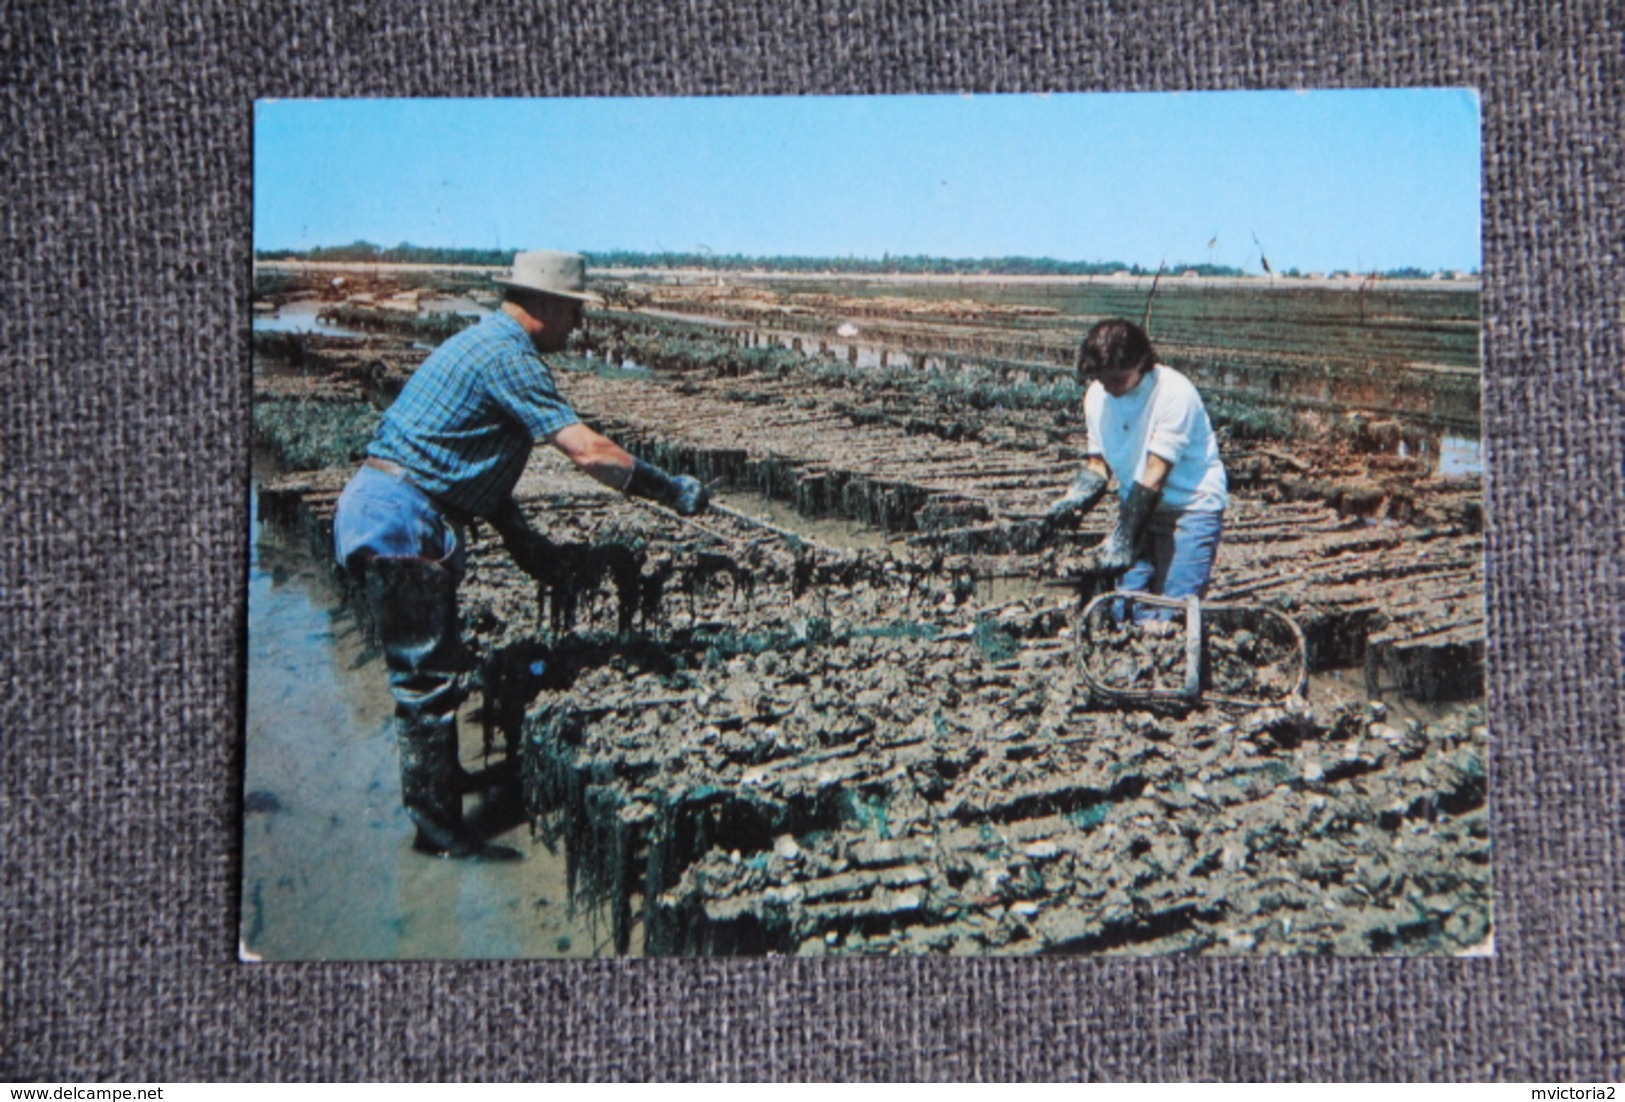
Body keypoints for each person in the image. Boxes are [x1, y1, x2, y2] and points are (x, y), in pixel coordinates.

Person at [333, 250, 709, 861]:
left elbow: (469, 471)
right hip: (400, 522)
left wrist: (531, 548)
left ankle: (442, 797)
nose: (577, 327)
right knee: (424, 683)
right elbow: (588, 452)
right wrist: (669, 489)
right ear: (549, 305)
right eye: (574, 312)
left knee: (429, 672)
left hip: (388, 509)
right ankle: (440, 839)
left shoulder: (481, 345)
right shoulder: (510, 357)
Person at [1046, 318, 1227, 604]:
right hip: (1138, 504)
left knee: (1175, 608)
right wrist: (1074, 499)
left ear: (1143, 363)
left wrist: (1124, 536)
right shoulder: (1097, 396)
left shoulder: (1173, 393)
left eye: (1117, 378)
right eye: (1101, 378)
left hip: (1190, 508)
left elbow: (1156, 472)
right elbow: (1098, 464)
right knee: (1127, 604)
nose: (1108, 387)